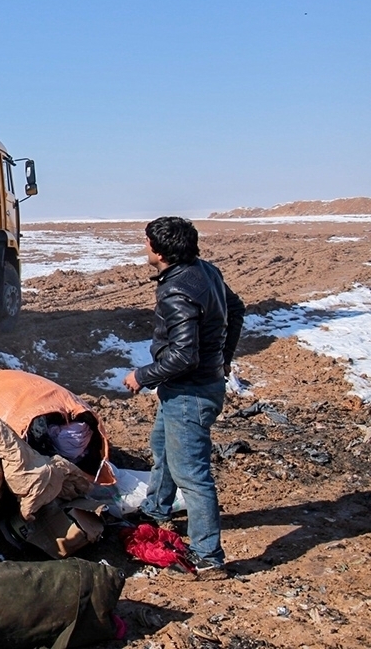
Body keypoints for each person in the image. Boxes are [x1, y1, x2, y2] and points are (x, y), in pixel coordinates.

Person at [123, 216, 245, 581]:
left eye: (146, 242)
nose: (143, 246)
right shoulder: (204, 270)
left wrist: (141, 376)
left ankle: (208, 556)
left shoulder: (177, 291)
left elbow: (183, 356)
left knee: (192, 474)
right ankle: (156, 510)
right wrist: (223, 358)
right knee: (161, 446)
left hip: (191, 393)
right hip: (192, 386)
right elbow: (236, 310)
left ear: (159, 251)